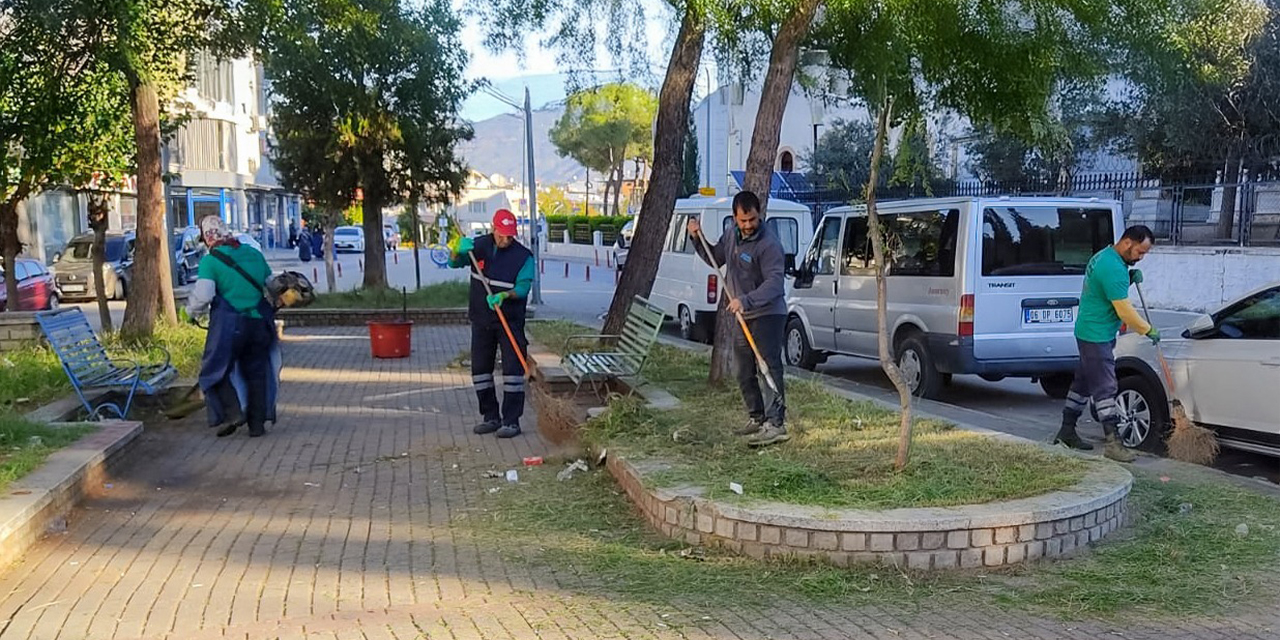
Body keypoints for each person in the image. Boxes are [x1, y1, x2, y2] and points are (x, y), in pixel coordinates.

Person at [688, 190, 789, 447]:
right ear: (734, 218)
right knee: (743, 369)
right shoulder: (731, 236)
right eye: (743, 220)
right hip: (743, 316)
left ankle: (775, 424)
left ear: (759, 215)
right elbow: (715, 258)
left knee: (768, 367)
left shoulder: (769, 245)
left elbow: (775, 284)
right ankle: (756, 416)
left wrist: (745, 300)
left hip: (767, 314)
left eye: (752, 219)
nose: (748, 225)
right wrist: (697, 239)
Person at [1054, 225, 1160, 462]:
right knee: (1106, 387)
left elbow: (1105, 290)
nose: (1141, 258)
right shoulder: (1113, 268)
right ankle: (1113, 443)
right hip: (1097, 335)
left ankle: (1066, 431)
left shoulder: (1105, 256)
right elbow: (1125, 312)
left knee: (1083, 384)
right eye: (1140, 252)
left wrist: (1128, 278)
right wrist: (1147, 329)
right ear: (1128, 243)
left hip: (1088, 330)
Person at [187, 216, 277, 438]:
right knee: (256, 373)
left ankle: (233, 412)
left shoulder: (210, 261)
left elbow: (204, 295)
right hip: (259, 324)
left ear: (206, 237)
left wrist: (190, 312)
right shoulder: (254, 254)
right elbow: (271, 284)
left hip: (230, 326)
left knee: (213, 371)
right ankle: (257, 425)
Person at [448, 209, 535, 438]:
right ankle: (490, 417)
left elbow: (523, 287)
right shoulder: (477, 247)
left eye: (510, 235)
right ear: (493, 228)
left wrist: (505, 295)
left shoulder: (523, 256)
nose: (506, 239)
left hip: (510, 320)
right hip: (481, 319)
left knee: (513, 373)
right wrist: (457, 250)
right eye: (501, 234)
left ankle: (511, 421)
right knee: (480, 371)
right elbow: (453, 263)